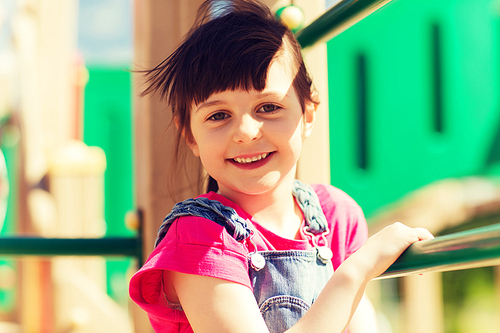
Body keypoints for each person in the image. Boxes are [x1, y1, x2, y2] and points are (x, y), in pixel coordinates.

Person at [129, 1, 434, 332]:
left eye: (268, 107)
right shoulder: (198, 238)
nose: (245, 132)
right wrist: (357, 270)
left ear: (308, 115)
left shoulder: (335, 216)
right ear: (190, 134)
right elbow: (351, 283)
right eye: (219, 115)